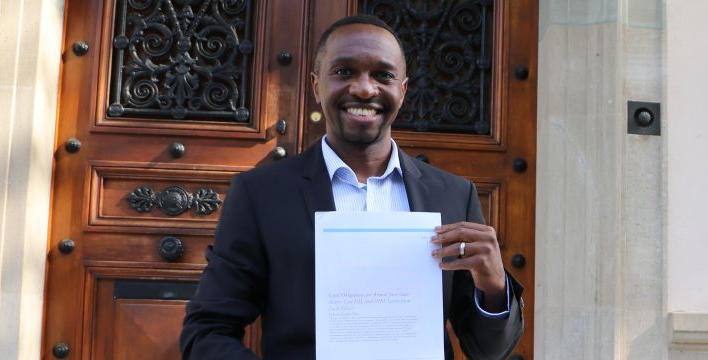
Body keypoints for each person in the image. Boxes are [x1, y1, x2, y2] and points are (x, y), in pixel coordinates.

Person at [179, 14, 523, 359]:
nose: (363, 88)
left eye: (383, 75)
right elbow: (207, 331)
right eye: (344, 72)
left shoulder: (453, 195)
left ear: (402, 91)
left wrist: (493, 286)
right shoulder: (261, 195)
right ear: (316, 86)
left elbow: (489, 351)